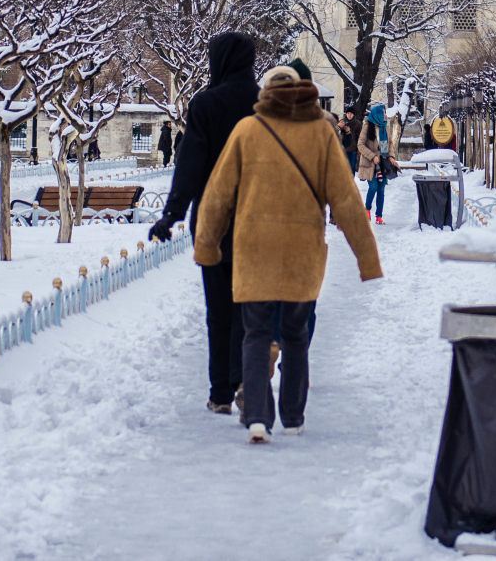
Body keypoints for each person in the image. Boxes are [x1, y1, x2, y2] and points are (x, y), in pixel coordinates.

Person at [195, 60, 382, 442]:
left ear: (265, 93)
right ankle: (293, 417)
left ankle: (258, 418)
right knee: (295, 334)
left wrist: (207, 247)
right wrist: (367, 258)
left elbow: (217, 196)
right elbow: (345, 199)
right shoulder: (320, 134)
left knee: (255, 333)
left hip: (253, 251)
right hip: (303, 252)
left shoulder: (247, 130)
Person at [148, 31, 259, 414]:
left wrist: (172, 213)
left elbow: (191, 164)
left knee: (219, 310)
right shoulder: (265, 104)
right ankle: (245, 377)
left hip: (214, 222)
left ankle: (221, 394)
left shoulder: (207, 104)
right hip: (259, 221)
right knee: (250, 308)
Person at [359, 111, 389, 224]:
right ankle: (367, 209)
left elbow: (390, 144)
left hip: (383, 163)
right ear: (377, 115)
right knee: (373, 187)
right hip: (370, 164)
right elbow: (360, 145)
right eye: (383, 113)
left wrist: (391, 156)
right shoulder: (367, 126)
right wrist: (372, 156)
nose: (385, 116)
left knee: (381, 189)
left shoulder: (385, 127)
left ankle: (379, 216)